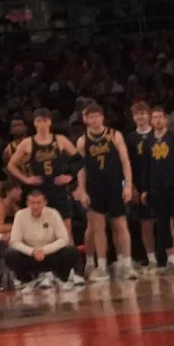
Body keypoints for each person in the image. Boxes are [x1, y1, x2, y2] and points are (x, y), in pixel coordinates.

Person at [131, 99, 174, 271]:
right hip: (157, 190)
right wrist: (145, 189)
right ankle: (171, 260)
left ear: (166, 119)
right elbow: (145, 168)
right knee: (162, 225)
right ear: (151, 121)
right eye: (155, 117)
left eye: (161, 117)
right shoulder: (148, 143)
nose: (158, 120)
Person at [75, 103, 137, 281]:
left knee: (120, 226)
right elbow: (81, 169)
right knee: (97, 228)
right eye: (90, 117)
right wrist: (82, 190)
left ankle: (126, 264)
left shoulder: (114, 134)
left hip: (114, 185)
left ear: (102, 117)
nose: (94, 120)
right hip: (94, 188)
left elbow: (125, 161)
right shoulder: (82, 141)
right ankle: (101, 266)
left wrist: (128, 185)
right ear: (85, 119)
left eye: (97, 116)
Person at [6, 191, 84, 290]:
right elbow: (14, 242)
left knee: (71, 252)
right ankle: (27, 281)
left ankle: (61, 278)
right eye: (32, 203)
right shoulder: (20, 215)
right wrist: (32, 251)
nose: (35, 206)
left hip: (50, 254)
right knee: (10, 254)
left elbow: (64, 239)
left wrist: (44, 250)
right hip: (30, 256)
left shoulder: (53, 213)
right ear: (27, 203)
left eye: (39, 202)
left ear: (45, 203)